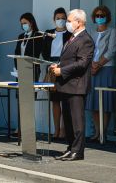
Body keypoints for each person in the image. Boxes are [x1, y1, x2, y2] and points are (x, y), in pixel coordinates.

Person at [50, 9, 94, 161]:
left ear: (79, 22)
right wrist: (57, 66)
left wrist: (62, 70)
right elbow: (69, 59)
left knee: (77, 121)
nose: (67, 23)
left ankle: (78, 151)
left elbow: (82, 63)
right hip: (66, 85)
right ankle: (71, 147)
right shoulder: (72, 37)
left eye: (69, 20)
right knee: (68, 120)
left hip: (76, 86)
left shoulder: (85, 39)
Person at [85, 6, 116, 141]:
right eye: (97, 15)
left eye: (102, 15)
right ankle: (97, 133)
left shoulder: (112, 32)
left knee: (105, 102)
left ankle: (103, 134)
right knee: (94, 102)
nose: (99, 17)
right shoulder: (91, 32)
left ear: (107, 17)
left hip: (106, 69)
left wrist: (98, 64)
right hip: (92, 69)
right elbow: (88, 50)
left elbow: (111, 51)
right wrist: (92, 65)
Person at [42, 7, 72, 139]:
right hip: (51, 67)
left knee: (65, 100)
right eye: (58, 18)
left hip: (64, 67)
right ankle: (56, 130)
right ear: (54, 20)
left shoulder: (70, 34)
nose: (60, 20)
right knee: (55, 101)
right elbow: (44, 51)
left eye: (63, 18)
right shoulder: (49, 33)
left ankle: (64, 129)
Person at [14, 12, 43, 80]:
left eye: (25, 23)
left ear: (31, 22)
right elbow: (16, 53)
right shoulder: (21, 36)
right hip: (20, 68)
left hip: (32, 69)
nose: (23, 25)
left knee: (30, 90)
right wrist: (17, 67)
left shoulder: (37, 35)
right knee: (20, 90)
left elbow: (36, 53)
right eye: (22, 24)